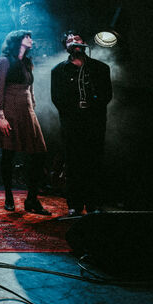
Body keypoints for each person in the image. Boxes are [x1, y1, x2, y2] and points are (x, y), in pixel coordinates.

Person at [51, 31, 112, 216]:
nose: (73, 42)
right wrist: (72, 114)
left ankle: (94, 203)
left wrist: (93, 110)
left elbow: (107, 95)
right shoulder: (59, 70)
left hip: (94, 122)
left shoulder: (101, 68)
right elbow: (57, 98)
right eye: (69, 40)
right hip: (72, 123)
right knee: (74, 164)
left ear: (84, 43)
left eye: (76, 39)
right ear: (66, 47)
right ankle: (75, 204)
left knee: (94, 162)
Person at [0, 30, 51, 216]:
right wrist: (1, 116)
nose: (31, 40)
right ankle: (8, 197)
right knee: (8, 155)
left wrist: (32, 106)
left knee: (38, 154)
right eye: (28, 37)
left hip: (26, 111)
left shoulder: (27, 62)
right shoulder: (4, 61)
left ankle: (32, 198)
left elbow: (30, 88)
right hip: (10, 109)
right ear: (18, 41)